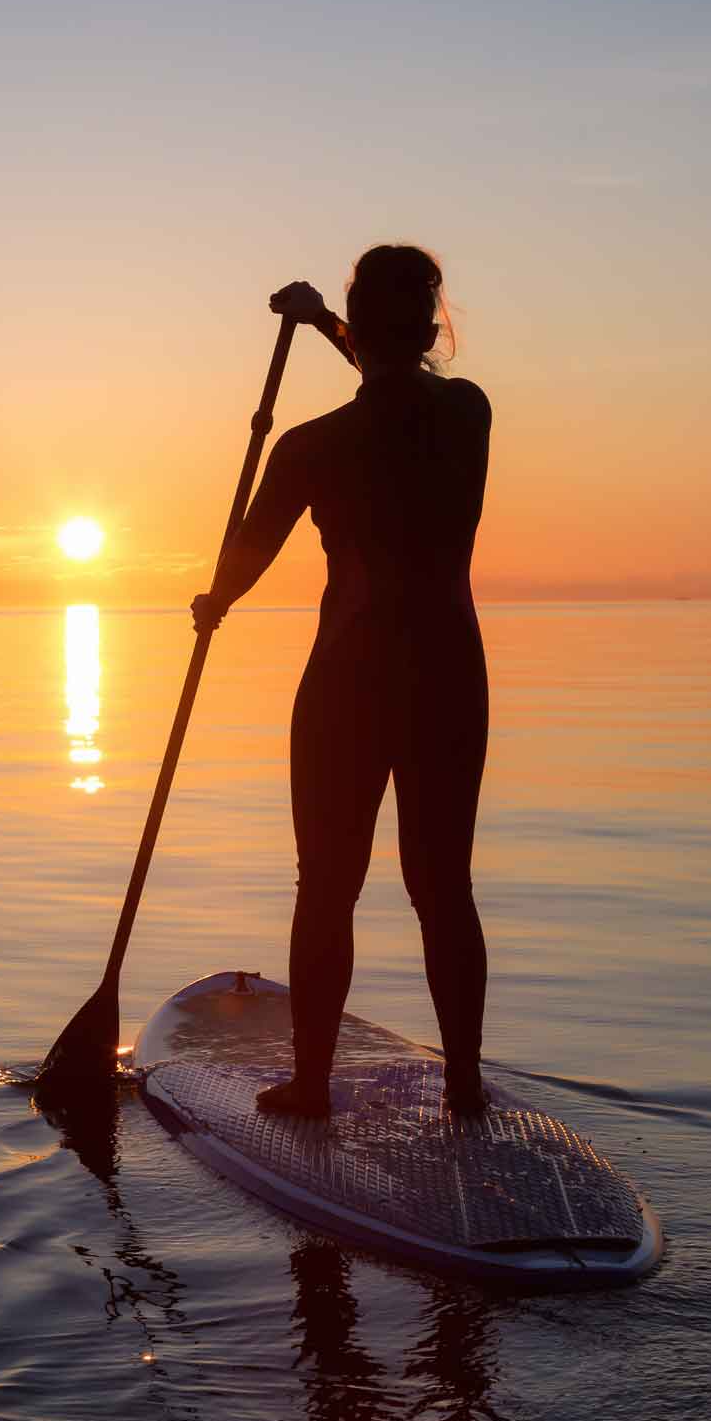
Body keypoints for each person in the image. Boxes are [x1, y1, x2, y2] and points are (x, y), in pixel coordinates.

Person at [192, 247, 491, 1119]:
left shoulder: (312, 447)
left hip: (350, 684)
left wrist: (215, 601)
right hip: (447, 678)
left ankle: (313, 1084)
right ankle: (464, 1084)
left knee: (326, 883)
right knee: (445, 889)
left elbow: (248, 553)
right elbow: (403, 390)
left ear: (361, 329)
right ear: (435, 330)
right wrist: (330, 323)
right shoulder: (468, 414)